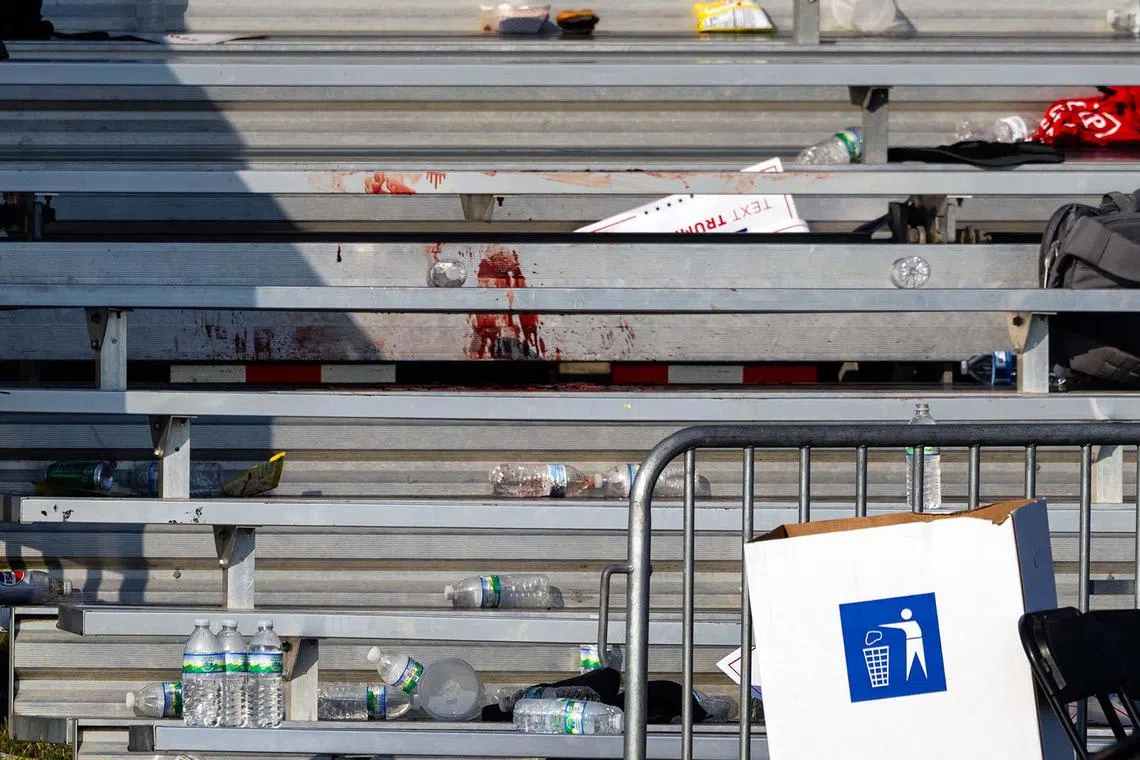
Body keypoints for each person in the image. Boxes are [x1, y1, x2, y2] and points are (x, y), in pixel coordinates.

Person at [881, 608, 927, 680]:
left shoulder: (912, 623)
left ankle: (919, 677)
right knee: (909, 661)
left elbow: (897, 625)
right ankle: (908, 678)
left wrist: (882, 625)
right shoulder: (913, 623)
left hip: (915, 641)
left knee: (917, 660)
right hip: (910, 641)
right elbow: (897, 625)